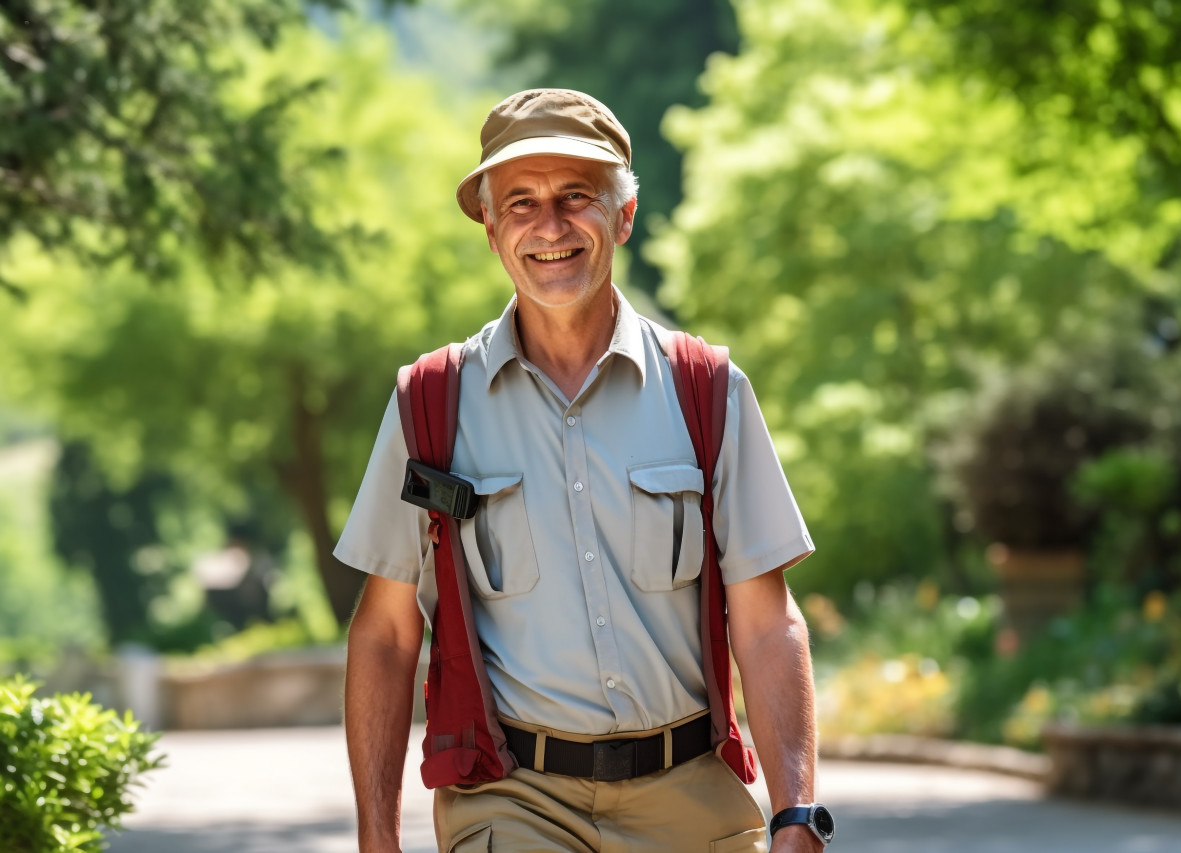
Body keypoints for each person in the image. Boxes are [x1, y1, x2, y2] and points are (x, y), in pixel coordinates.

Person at [338, 88, 832, 852]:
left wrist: (797, 812)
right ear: (491, 228)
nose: (550, 226)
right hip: (512, 797)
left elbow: (767, 624)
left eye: (576, 196)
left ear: (623, 215)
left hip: (690, 795)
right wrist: (378, 839)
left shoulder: (707, 391)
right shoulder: (431, 404)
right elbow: (387, 634)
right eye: (522, 203)